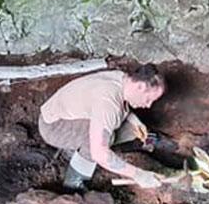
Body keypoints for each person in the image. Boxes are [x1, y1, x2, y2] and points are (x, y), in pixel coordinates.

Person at [38, 64, 167, 190]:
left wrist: (135, 121)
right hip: (54, 126)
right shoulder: (108, 102)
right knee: (104, 140)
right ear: (140, 86)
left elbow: (120, 104)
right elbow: (99, 153)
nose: (149, 105)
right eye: (148, 99)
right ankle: (73, 183)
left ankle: (144, 143)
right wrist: (138, 175)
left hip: (70, 112)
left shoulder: (123, 79)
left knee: (131, 130)